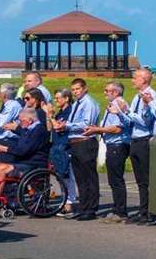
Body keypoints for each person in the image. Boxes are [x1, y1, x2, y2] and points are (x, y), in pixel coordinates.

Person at [0, 104, 49, 207]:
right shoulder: (28, 128)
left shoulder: (39, 130)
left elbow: (23, 151)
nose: (20, 123)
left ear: (30, 120)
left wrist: (2, 148)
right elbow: (21, 131)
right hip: (24, 162)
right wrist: (13, 127)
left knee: (2, 169)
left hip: (34, 165)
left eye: (21, 121)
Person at [61, 78, 102, 221]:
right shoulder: (76, 104)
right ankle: (83, 206)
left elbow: (86, 124)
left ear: (85, 88)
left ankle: (91, 208)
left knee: (89, 176)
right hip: (75, 142)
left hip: (85, 141)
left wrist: (67, 126)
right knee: (80, 177)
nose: (75, 92)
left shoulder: (88, 103)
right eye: (73, 90)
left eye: (78, 89)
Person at [91, 81, 133, 222]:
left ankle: (120, 212)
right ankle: (117, 209)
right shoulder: (114, 104)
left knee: (116, 180)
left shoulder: (118, 104)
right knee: (113, 179)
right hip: (113, 144)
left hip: (117, 145)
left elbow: (117, 128)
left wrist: (98, 130)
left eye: (107, 90)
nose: (104, 93)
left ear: (115, 92)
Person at [124, 67, 156, 225]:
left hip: (145, 139)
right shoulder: (137, 97)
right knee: (139, 179)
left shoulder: (151, 96)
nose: (133, 80)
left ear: (144, 79)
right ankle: (142, 210)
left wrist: (127, 112)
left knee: (147, 179)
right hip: (135, 139)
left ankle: (150, 212)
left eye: (135, 78)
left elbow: (146, 122)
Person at [48, 89, 75, 212]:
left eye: (58, 98)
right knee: (60, 175)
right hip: (57, 145)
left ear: (66, 98)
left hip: (65, 146)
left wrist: (51, 117)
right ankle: (65, 200)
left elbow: (59, 128)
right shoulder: (60, 113)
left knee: (67, 175)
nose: (55, 100)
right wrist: (50, 117)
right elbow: (50, 128)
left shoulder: (70, 112)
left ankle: (69, 202)